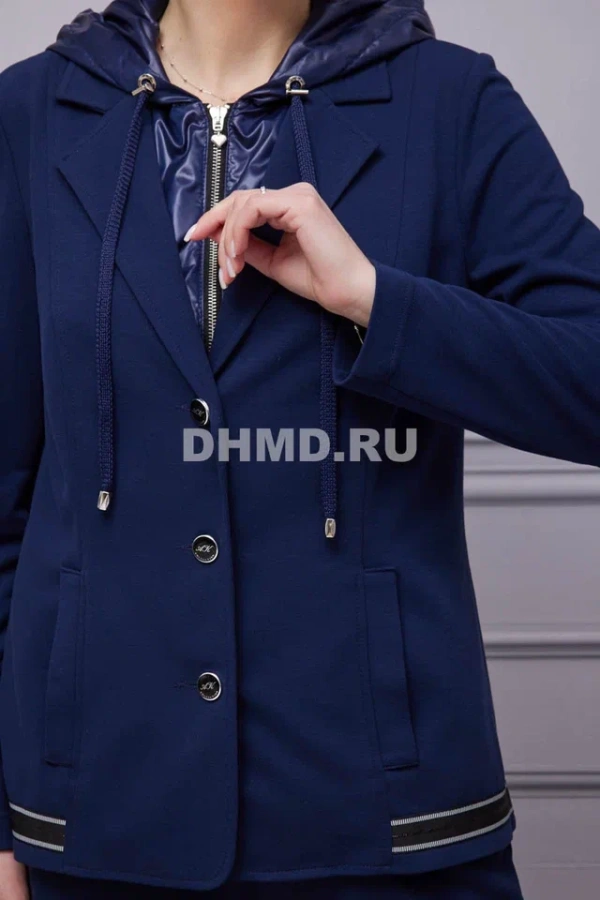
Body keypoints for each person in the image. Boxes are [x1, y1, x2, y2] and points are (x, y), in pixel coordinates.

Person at [2, 0, 599, 895]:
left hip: (392, 826)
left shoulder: (449, 101)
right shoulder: (32, 113)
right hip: (95, 821)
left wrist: (373, 299)